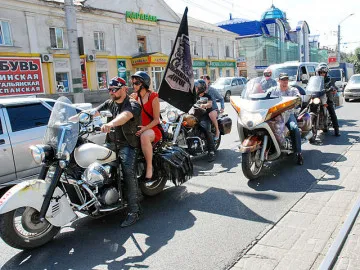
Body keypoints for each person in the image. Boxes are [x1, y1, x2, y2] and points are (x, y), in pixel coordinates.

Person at [95, 77, 142, 227]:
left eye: (114, 89)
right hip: (111, 143)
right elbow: (95, 111)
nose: (111, 92)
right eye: (109, 89)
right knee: (96, 166)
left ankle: (134, 211)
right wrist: (77, 117)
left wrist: (110, 123)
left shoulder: (132, 104)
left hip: (127, 145)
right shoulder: (111, 102)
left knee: (128, 173)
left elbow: (125, 116)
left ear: (124, 89)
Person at [130, 71, 162, 182]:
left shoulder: (153, 97)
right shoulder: (134, 97)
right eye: (132, 83)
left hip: (152, 128)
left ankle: (149, 168)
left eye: (136, 83)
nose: (134, 85)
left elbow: (156, 120)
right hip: (139, 128)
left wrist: (144, 128)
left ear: (144, 84)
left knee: (144, 136)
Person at [267, 73, 304, 165]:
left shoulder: (293, 90)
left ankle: (298, 153)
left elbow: (298, 97)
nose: (285, 82)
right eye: (283, 80)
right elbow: (263, 96)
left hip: (288, 114)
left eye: (286, 80)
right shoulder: (273, 90)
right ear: (279, 81)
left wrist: (298, 98)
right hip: (274, 115)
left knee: (294, 128)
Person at [316, 62, 340, 137]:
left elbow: (333, 86)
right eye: (321, 72)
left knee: (331, 110)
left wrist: (333, 88)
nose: (322, 74)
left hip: (327, 96)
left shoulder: (329, 79)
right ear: (318, 72)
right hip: (318, 97)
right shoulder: (315, 79)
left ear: (326, 73)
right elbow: (310, 85)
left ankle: (336, 129)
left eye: (324, 72)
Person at [194, 79, 216, 162]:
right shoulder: (194, 96)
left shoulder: (207, 96)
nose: (195, 89)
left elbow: (210, 104)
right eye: (195, 87)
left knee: (207, 130)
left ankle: (211, 151)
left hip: (204, 116)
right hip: (194, 116)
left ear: (200, 88)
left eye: (196, 87)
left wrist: (204, 105)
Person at [202, 74, 225, 141]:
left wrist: (222, 107)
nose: (203, 80)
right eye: (202, 78)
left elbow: (221, 98)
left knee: (211, 115)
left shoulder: (212, 90)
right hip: (203, 109)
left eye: (205, 78)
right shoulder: (200, 90)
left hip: (213, 109)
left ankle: (217, 131)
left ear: (208, 80)